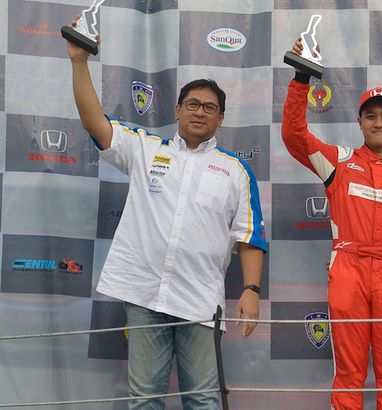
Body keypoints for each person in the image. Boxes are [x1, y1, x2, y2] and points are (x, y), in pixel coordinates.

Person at [65, 17, 267, 409]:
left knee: (203, 400)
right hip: (144, 296)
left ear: (221, 118)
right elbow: (94, 123)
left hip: (200, 303)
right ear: (177, 110)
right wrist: (78, 61)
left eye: (210, 107)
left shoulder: (236, 171)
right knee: (144, 400)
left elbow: (249, 237)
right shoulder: (144, 149)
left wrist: (251, 290)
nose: (200, 112)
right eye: (192, 104)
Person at [281, 38, 382, 410]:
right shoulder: (338, 162)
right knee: (349, 371)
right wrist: (301, 78)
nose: (379, 122)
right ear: (359, 121)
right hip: (349, 270)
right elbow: (294, 135)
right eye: (371, 116)